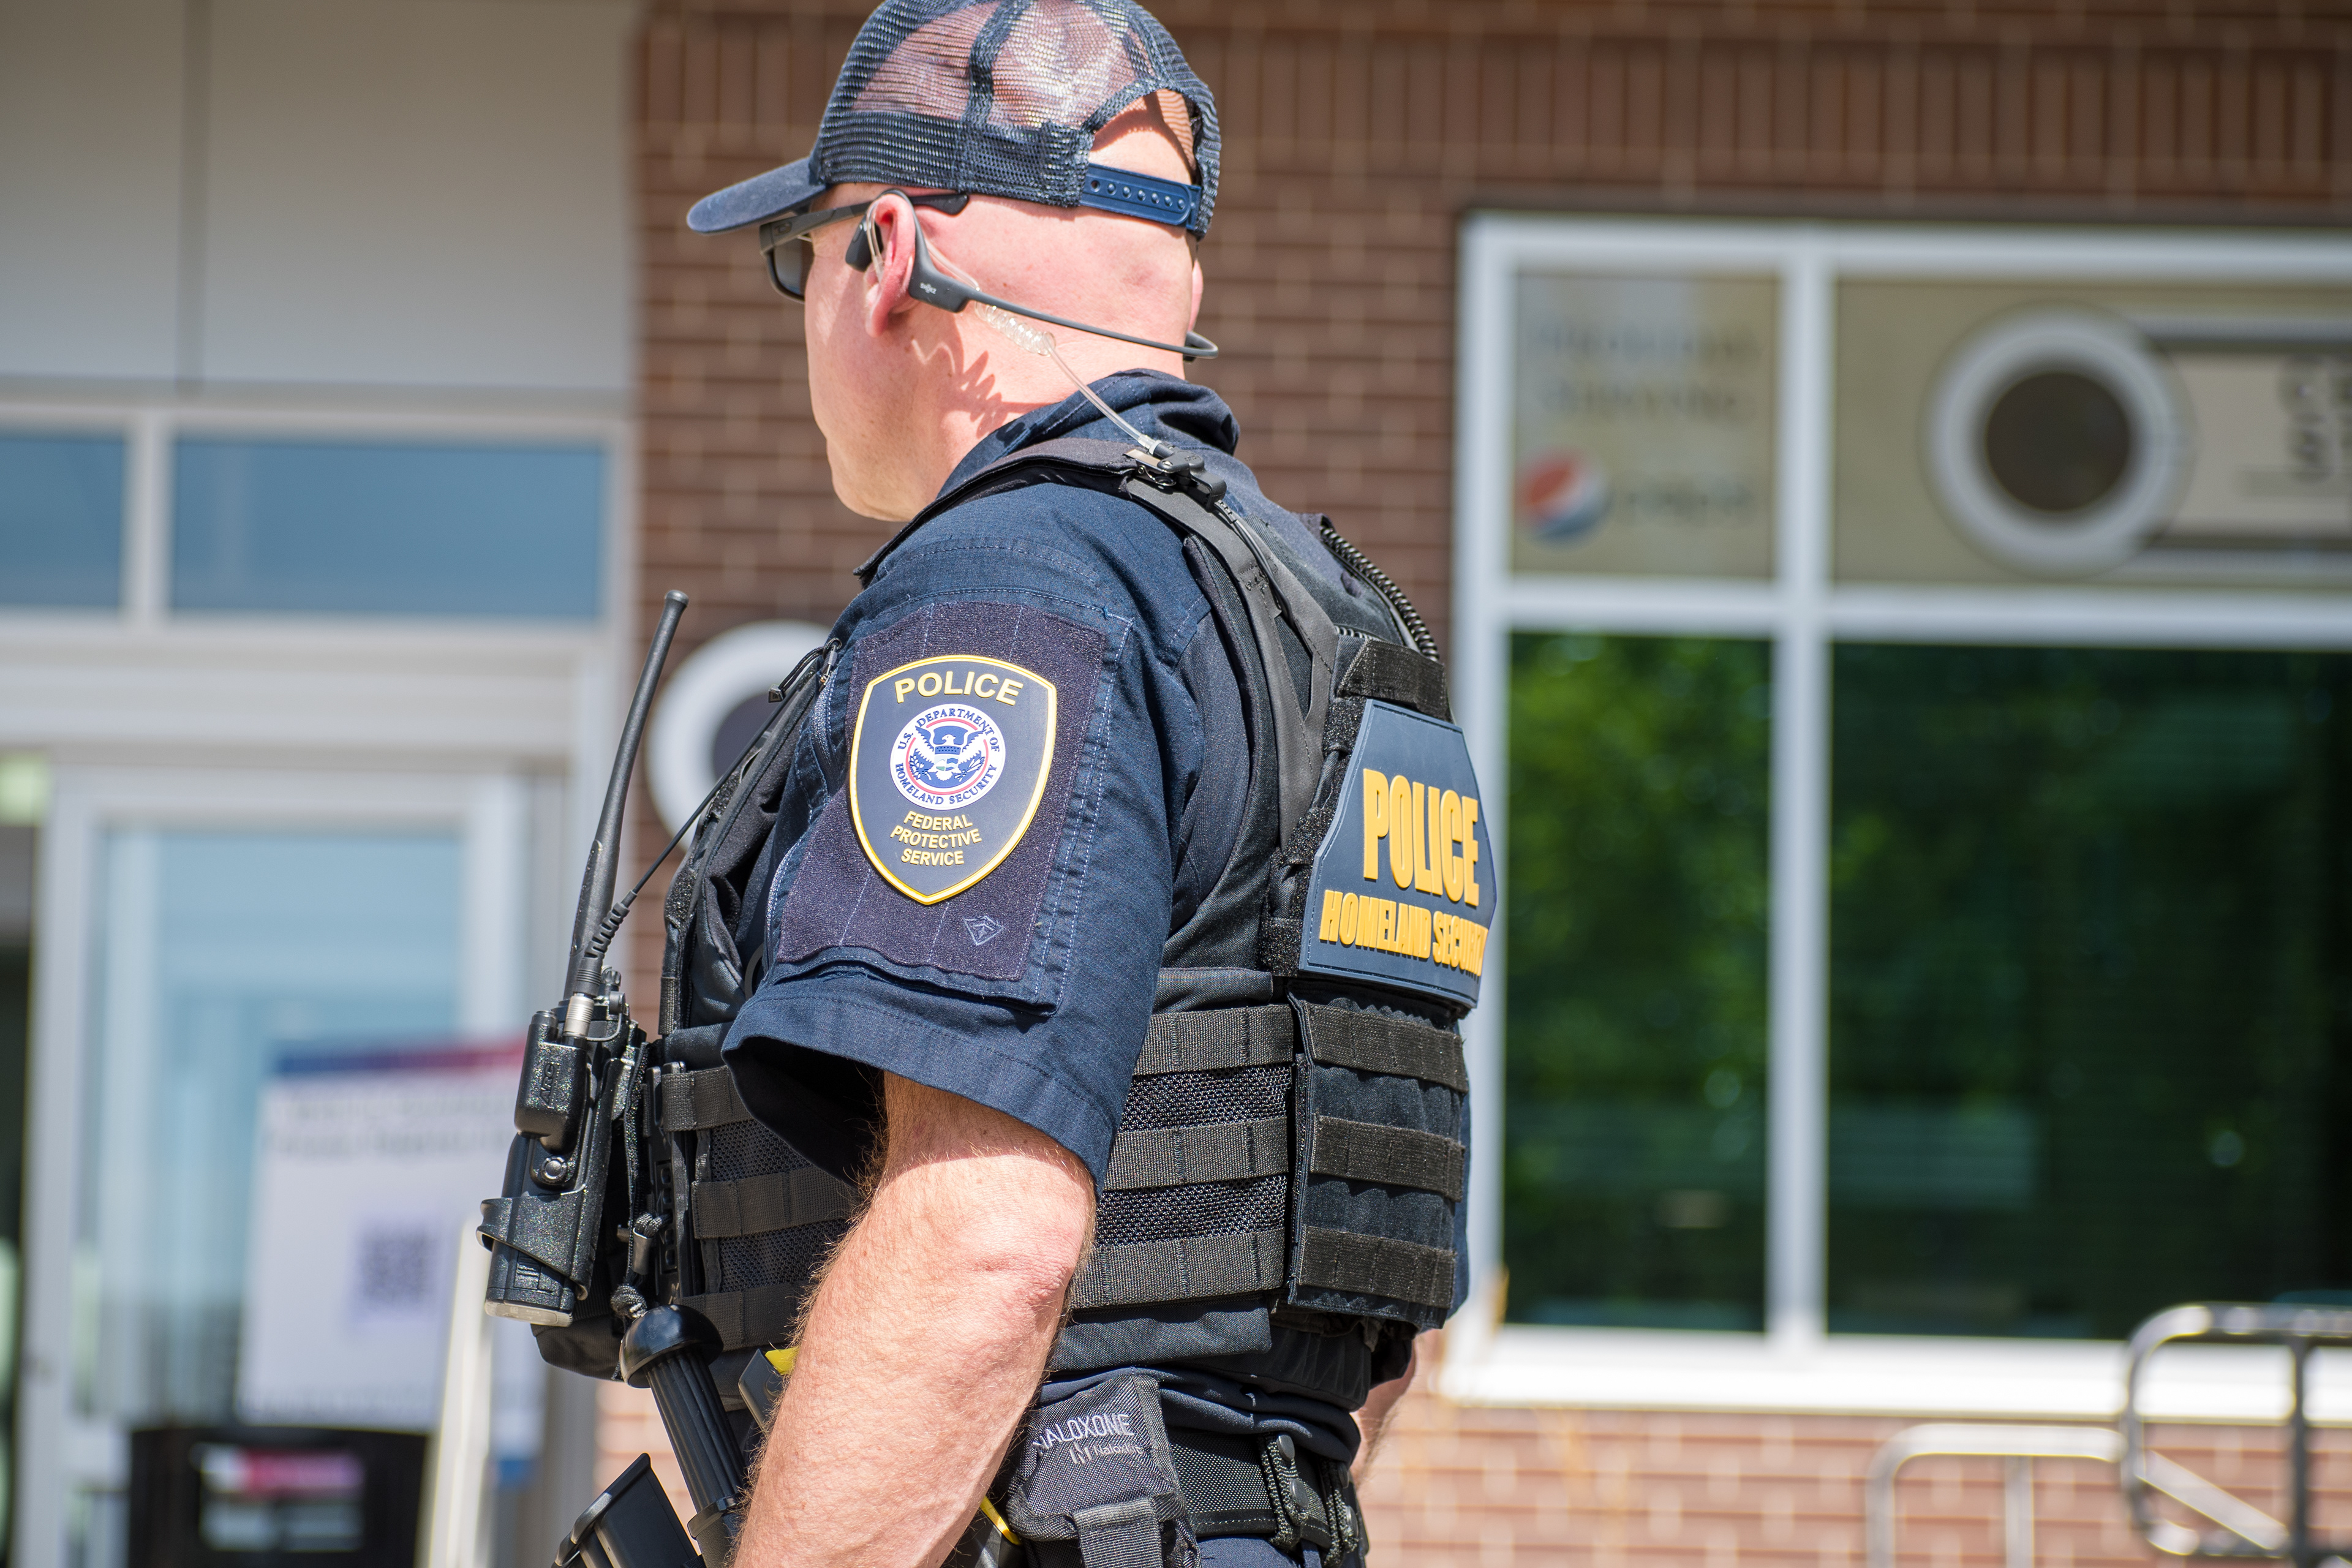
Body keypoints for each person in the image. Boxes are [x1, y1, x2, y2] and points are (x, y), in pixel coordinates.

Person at [674, 3, 1492, 1564]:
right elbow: (1350, 1244)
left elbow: (984, 1236)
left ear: (891, 253)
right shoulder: (1331, 624)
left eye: (808, 252)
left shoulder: (1012, 585)